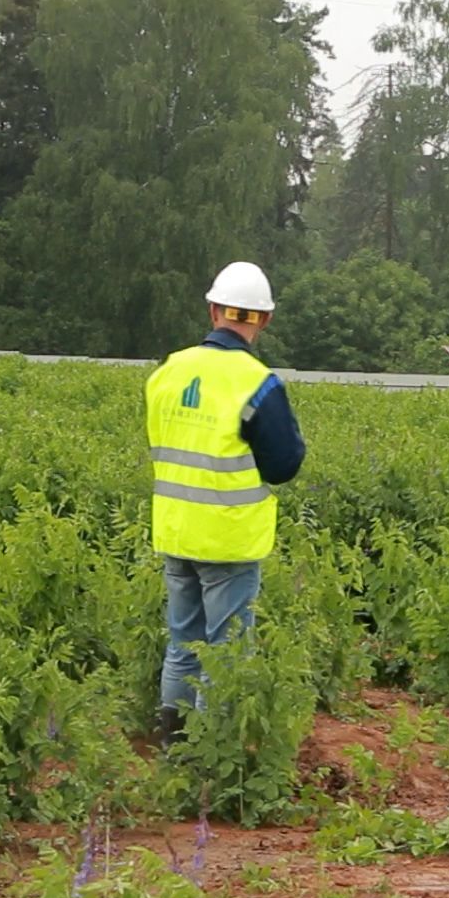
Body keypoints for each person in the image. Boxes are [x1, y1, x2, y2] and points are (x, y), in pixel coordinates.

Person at [145, 260, 306, 747]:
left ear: (213, 310)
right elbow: (283, 464)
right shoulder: (257, 383)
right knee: (227, 652)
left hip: (175, 530)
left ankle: (173, 747)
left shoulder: (167, 372)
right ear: (264, 320)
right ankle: (212, 752)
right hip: (229, 538)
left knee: (183, 645)